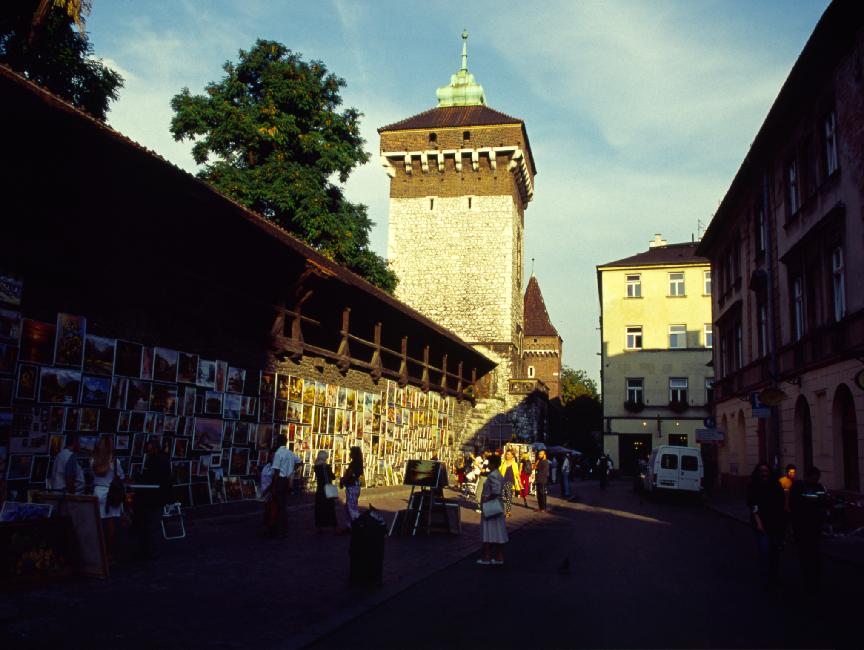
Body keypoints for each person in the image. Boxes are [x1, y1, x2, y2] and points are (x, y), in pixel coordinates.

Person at [746, 462, 785, 589]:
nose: (764, 473)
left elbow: (781, 503)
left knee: (774, 550)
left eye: (766, 471)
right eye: (761, 471)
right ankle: (765, 577)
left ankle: (773, 576)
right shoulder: (753, 486)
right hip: (761, 523)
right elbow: (753, 504)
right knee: (764, 550)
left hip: (775, 523)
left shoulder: (776, 485)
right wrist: (758, 522)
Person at [790, 466, 828, 594]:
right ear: (807, 476)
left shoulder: (820, 487)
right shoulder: (798, 487)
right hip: (802, 527)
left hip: (815, 526)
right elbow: (795, 505)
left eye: (817, 478)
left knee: (815, 553)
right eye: (813, 478)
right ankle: (808, 579)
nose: (815, 480)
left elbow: (824, 501)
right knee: (805, 554)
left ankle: (816, 578)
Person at [133, 439, 172, 561]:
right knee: (152, 525)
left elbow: (152, 478)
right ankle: (150, 551)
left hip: (152, 497)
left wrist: (139, 477)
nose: (148, 451)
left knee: (151, 525)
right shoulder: (162, 459)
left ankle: (149, 551)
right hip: (156, 497)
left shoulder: (155, 460)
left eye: (149, 449)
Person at [91, 436, 124, 561]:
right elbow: (120, 476)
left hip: (97, 491)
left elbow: (92, 473)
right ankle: (108, 552)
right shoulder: (115, 461)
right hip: (110, 493)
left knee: (97, 522)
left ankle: (97, 549)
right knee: (110, 524)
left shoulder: (93, 460)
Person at [477, 454, 508, 566]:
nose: (488, 464)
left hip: (491, 506)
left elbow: (496, 491)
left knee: (487, 531)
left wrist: (486, 499)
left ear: (494, 464)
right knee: (498, 531)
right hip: (498, 506)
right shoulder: (499, 474)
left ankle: (487, 556)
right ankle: (498, 556)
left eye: (489, 462)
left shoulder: (492, 476)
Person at [272, 434, 302, 538]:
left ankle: (279, 530)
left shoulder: (278, 453)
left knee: (279, 506)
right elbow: (299, 462)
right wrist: (292, 470)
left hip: (280, 480)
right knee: (283, 505)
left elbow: (276, 470)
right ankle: (284, 529)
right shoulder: (290, 453)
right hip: (288, 481)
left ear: (278, 442)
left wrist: (274, 486)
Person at [314, 450, 338, 532]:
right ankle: (334, 527)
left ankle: (319, 527)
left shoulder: (316, 466)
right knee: (330, 508)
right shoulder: (326, 466)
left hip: (319, 489)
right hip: (327, 489)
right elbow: (332, 476)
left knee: (319, 508)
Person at [341, 446, 364, 526]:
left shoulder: (354, 463)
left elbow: (349, 474)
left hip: (352, 485)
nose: (350, 454)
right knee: (350, 506)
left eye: (351, 452)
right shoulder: (359, 463)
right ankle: (350, 526)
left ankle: (356, 526)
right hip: (355, 485)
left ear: (354, 454)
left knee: (351, 507)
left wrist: (343, 480)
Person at [499, 449, 522, 519]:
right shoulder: (503, 462)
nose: (507, 455)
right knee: (501, 498)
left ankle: (508, 512)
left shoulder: (514, 464)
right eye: (506, 454)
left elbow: (517, 474)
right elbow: (499, 471)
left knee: (508, 498)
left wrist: (520, 483)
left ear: (512, 455)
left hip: (510, 482)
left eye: (509, 454)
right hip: (502, 481)